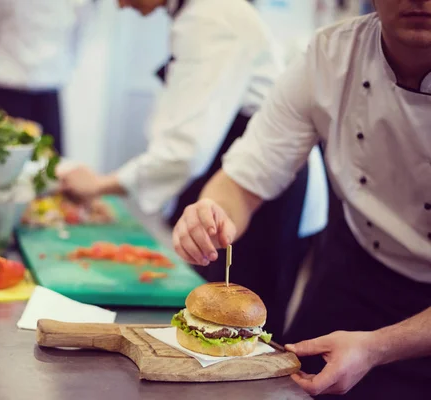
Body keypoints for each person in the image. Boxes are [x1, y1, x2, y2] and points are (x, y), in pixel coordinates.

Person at [171, 0, 431, 397]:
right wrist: (211, 214)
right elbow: (245, 177)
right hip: (353, 270)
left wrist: (378, 348)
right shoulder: (330, 56)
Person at [60, 0, 328, 340]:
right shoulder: (200, 14)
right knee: (210, 317)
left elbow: (184, 151)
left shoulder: (212, 17)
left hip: (264, 195)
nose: (120, 3)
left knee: (242, 326)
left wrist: (100, 185)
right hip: (237, 185)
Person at [0, 0, 95, 154]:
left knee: (49, 165)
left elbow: (79, 34)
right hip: (7, 91)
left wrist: (62, 70)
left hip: (48, 94)